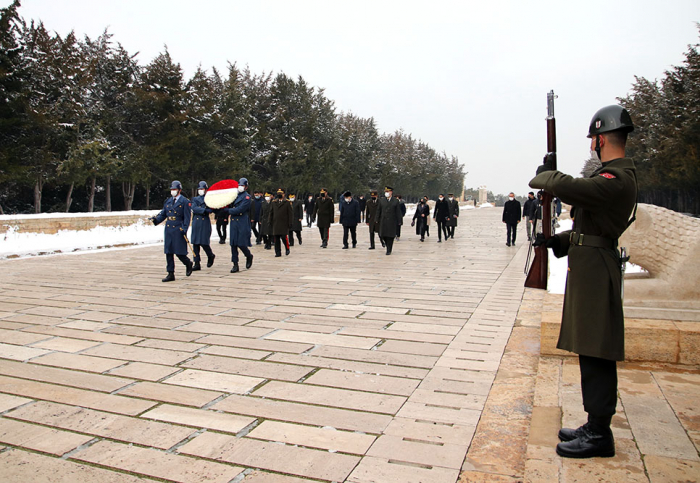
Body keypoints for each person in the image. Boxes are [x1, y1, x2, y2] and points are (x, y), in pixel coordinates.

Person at [530, 105, 636, 459]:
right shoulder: (612, 177)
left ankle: (600, 432)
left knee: (597, 351)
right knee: (592, 349)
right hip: (589, 266)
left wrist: (547, 175)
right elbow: (590, 228)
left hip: (596, 271)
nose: (592, 143)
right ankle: (595, 424)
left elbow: (573, 189)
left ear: (601, 139)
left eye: (593, 138)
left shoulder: (616, 178)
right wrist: (556, 243)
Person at [151, 180, 193, 282]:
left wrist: (184, 228)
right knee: (168, 251)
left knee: (179, 252)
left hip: (178, 228)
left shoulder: (185, 202)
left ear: (179, 190)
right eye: (172, 189)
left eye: (174, 189)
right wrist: (156, 220)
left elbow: (187, 218)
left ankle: (188, 263)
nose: (173, 191)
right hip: (169, 228)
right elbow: (164, 213)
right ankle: (170, 273)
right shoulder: (168, 201)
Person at [227, 178, 254, 273]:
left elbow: (240, 209)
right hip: (234, 221)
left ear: (246, 187)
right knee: (233, 243)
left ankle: (248, 255)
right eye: (239, 186)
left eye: (242, 186)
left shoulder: (247, 197)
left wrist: (227, 211)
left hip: (242, 220)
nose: (240, 187)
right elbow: (229, 204)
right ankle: (235, 264)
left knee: (241, 243)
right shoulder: (234, 196)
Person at [190, 180, 215, 271]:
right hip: (196, 222)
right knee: (195, 243)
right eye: (199, 188)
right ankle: (196, 262)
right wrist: (203, 210)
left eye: (202, 188)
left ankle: (210, 255)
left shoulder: (209, 199)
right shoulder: (195, 199)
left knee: (204, 242)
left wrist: (205, 210)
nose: (200, 190)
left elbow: (211, 209)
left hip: (204, 222)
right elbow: (194, 208)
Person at [376, 186, 402, 255]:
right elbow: (378, 210)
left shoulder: (395, 201)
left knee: (390, 236)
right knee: (382, 235)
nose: (386, 193)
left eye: (388, 192)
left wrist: (400, 220)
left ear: (391, 192)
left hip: (392, 221)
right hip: (383, 220)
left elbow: (398, 212)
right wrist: (376, 219)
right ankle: (386, 244)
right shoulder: (381, 200)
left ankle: (389, 249)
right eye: (385, 192)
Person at [269, 188, 293, 257]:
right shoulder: (274, 202)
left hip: (284, 223)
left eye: (281, 193)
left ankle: (287, 248)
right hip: (276, 223)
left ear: (284, 194)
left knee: (284, 237)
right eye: (278, 193)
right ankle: (278, 252)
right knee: (276, 239)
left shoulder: (287, 202)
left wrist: (290, 222)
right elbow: (271, 212)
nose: (279, 195)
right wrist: (269, 220)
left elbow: (290, 214)